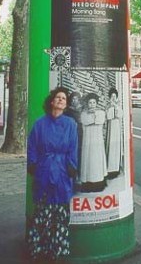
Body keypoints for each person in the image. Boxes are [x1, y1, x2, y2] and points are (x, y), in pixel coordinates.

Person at [27, 87, 78, 262]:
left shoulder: (71, 124)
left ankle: (58, 252)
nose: (61, 100)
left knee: (61, 216)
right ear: (51, 101)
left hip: (63, 173)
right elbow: (32, 145)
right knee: (42, 214)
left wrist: (72, 165)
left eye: (64, 98)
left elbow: (73, 148)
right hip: (44, 170)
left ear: (66, 104)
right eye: (58, 97)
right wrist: (32, 163)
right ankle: (39, 250)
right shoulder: (40, 124)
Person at [80, 92, 107, 192]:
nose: (92, 105)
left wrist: (93, 118)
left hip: (97, 141)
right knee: (88, 160)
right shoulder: (83, 114)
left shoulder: (101, 113)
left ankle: (98, 182)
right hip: (87, 141)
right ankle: (87, 183)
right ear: (87, 104)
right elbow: (85, 121)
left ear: (97, 103)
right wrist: (92, 119)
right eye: (90, 103)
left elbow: (99, 121)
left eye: (94, 103)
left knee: (97, 160)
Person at [106, 87, 123, 179]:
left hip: (117, 128)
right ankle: (110, 169)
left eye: (114, 96)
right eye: (111, 96)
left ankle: (116, 168)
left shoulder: (118, 106)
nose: (113, 97)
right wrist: (112, 107)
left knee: (116, 147)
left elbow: (120, 115)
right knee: (111, 147)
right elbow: (109, 117)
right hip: (111, 128)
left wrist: (116, 107)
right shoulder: (109, 106)